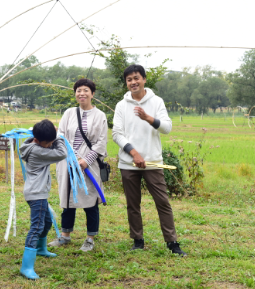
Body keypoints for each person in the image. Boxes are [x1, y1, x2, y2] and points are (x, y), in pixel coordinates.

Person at [112, 64, 187, 256]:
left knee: (162, 202)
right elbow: (117, 134)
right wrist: (134, 154)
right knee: (133, 204)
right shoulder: (121, 105)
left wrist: (148, 118)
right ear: (126, 83)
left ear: (144, 79)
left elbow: (167, 128)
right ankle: (138, 241)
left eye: (136, 78)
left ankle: (172, 242)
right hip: (128, 163)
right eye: (129, 80)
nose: (133, 82)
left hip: (153, 161)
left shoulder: (156, 102)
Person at [49, 79, 108, 252]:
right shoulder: (68, 113)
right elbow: (60, 135)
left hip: (89, 166)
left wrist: (85, 161)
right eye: (78, 90)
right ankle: (65, 236)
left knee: (90, 200)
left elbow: (101, 143)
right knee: (67, 199)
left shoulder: (100, 116)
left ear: (92, 93)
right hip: (67, 162)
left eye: (85, 90)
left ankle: (90, 238)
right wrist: (71, 156)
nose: (81, 93)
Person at [18, 119, 67, 280]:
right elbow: (61, 153)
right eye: (49, 143)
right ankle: (27, 267)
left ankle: (40, 249)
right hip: (37, 194)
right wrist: (58, 136)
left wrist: (50, 137)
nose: (50, 145)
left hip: (38, 193)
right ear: (38, 140)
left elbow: (46, 144)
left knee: (46, 222)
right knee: (36, 227)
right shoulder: (38, 151)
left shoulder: (32, 144)